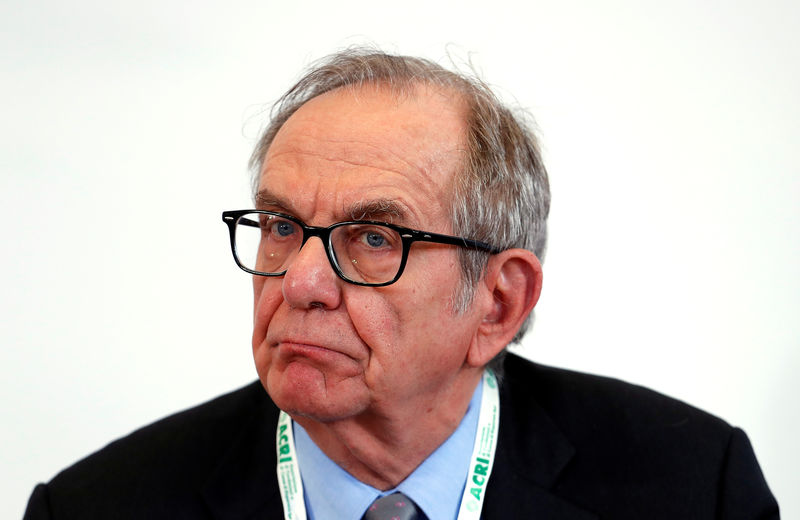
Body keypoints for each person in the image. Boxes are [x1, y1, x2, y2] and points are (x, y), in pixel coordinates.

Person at [24, 49, 778, 520]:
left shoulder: (692, 488)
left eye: (375, 238)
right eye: (282, 227)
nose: (301, 282)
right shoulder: (95, 506)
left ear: (498, 303)